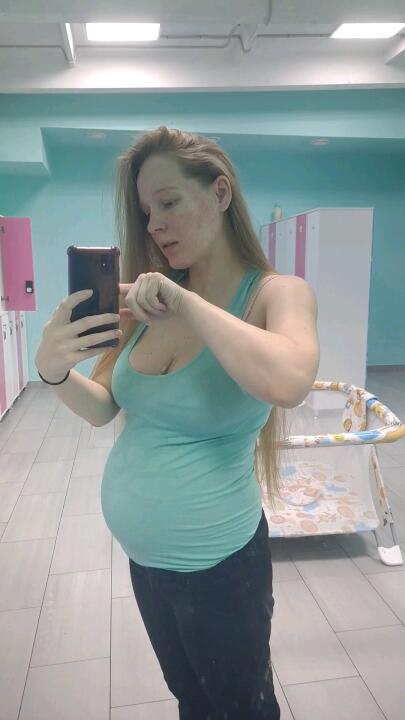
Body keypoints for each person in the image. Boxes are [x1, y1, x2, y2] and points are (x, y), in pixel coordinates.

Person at [35, 126, 318, 719]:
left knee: (241, 708)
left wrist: (187, 301)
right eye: (146, 213)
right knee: (190, 697)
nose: (155, 226)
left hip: (220, 567)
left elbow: (289, 381)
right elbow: (103, 407)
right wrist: (54, 373)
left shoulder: (277, 293)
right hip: (147, 563)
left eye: (168, 202)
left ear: (220, 193)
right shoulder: (147, 302)